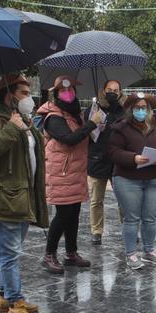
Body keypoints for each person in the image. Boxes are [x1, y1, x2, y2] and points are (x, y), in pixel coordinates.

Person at [0, 74, 49, 313]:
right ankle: (15, 305)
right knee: (10, 253)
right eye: (23, 92)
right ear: (9, 95)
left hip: (21, 194)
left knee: (9, 250)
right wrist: (11, 129)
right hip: (2, 196)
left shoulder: (25, 120)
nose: (29, 97)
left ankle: (4, 296)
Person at [37, 76, 100, 273]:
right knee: (62, 216)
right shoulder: (53, 116)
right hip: (61, 173)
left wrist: (97, 128)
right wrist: (91, 125)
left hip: (76, 171)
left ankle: (71, 253)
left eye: (72, 90)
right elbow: (69, 139)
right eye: (64, 91)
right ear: (55, 94)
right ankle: (49, 255)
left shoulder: (74, 115)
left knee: (74, 215)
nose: (69, 93)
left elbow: (82, 137)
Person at [108, 93, 156, 269]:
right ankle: (131, 254)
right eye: (137, 108)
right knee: (131, 218)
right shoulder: (120, 128)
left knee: (150, 218)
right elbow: (113, 152)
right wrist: (133, 158)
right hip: (128, 180)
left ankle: (149, 251)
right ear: (131, 110)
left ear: (150, 110)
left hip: (155, 180)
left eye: (144, 108)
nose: (141, 111)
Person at [85, 80, 125, 245]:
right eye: (109, 89)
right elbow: (84, 133)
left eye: (116, 90)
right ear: (103, 90)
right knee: (96, 200)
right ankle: (96, 231)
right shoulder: (93, 109)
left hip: (118, 162)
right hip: (98, 159)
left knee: (123, 199)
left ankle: (127, 228)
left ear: (120, 92)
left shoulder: (124, 111)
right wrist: (93, 125)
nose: (112, 93)